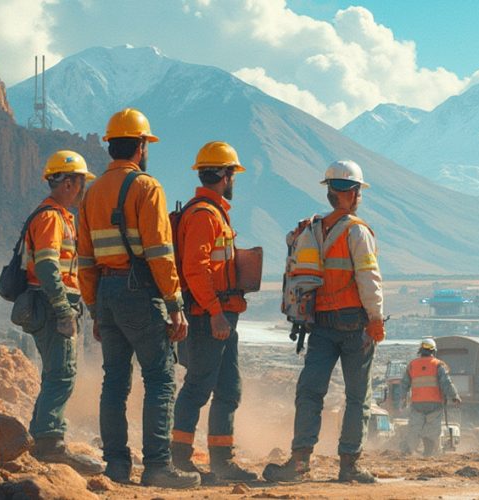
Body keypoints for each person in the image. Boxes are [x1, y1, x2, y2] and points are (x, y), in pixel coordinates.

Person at [77, 108, 198, 489]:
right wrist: (176, 305)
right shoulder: (146, 187)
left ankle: (115, 465)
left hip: (107, 294)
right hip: (139, 291)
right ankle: (158, 466)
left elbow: (84, 259)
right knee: (161, 378)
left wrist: (95, 309)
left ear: (111, 146)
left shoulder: (91, 192)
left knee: (114, 380)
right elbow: (160, 252)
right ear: (142, 146)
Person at [263, 160, 386, 484]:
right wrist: (375, 319)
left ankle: (300, 462)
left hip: (319, 323)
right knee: (358, 397)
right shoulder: (357, 231)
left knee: (310, 392)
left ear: (330, 191)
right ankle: (349, 465)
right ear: (355, 193)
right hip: (354, 324)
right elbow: (368, 278)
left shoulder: (312, 229)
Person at [170, 141, 257, 482]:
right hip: (209, 315)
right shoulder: (205, 215)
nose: (234, 179)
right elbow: (195, 269)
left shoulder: (213, 212)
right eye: (233, 173)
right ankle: (180, 459)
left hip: (220, 314)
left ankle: (222, 462)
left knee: (228, 388)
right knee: (198, 386)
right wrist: (216, 312)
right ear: (222, 175)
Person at [24, 151, 103, 475]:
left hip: (50, 303)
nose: (83, 188)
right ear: (68, 183)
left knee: (56, 372)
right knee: (63, 374)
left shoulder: (57, 216)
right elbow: (46, 265)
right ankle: (50, 444)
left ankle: (41, 436)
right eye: (81, 182)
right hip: (52, 304)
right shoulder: (51, 218)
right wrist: (62, 309)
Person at [399, 338, 460, 456]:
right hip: (434, 404)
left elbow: (404, 384)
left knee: (415, 428)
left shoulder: (412, 365)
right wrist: (454, 396)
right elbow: (446, 383)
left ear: (420, 351)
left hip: (417, 404)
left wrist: (403, 398)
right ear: (433, 351)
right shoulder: (438, 365)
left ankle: (408, 451)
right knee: (432, 429)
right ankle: (428, 453)